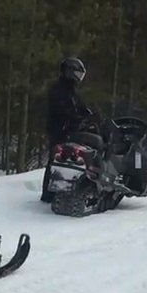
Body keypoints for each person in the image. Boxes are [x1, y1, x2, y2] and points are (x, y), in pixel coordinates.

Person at [41, 56, 98, 202]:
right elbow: (63, 110)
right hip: (60, 129)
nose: (79, 78)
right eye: (77, 74)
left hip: (71, 129)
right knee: (56, 159)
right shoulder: (58, 89)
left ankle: (77, 185)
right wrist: (78, 118)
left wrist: (91, 115)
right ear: (69, 72)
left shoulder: (72, 91)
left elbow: (81, 106)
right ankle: (49, 193)